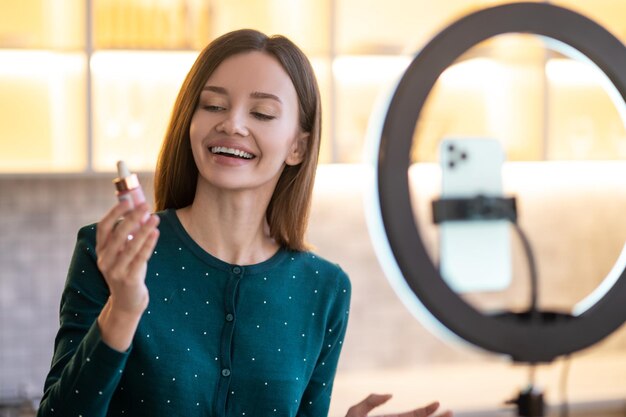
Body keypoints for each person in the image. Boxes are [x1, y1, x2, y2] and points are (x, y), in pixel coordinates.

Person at [37, 29, 451, 417]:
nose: (233, 123)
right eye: (213, 105)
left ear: (298, 147)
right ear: (190, 122)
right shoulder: (108, 252)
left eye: (263, 113)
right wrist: (123, 310)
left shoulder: (324, 288)